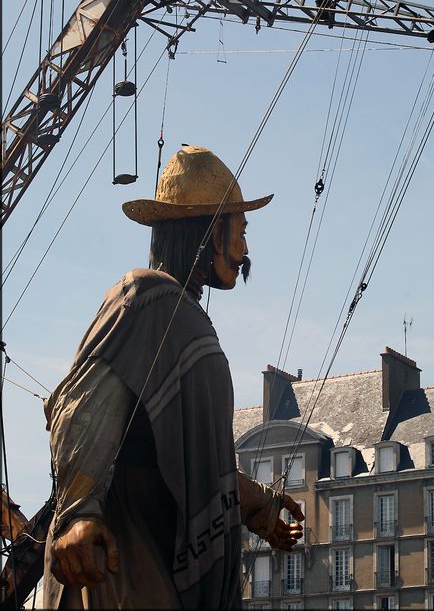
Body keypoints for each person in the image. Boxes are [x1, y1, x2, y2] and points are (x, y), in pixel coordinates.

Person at [43, 145, 304, 609]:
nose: (244, 249)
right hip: (129, 546)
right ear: (207, 230)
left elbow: (198, 457)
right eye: (239, 231)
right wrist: (79, 512)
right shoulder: (143, 298)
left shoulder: (184, 315)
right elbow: (80, 408)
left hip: (163, 534)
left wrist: (260, 505)